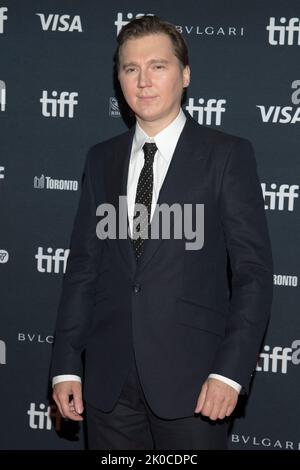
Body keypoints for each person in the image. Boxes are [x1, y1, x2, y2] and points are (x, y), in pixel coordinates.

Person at [51, 15, 273, 450]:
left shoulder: (226, 156)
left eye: (158, 66)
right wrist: (65, 365)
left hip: (195, 386)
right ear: (119, 79)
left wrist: (229, 371)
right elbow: (83, 268)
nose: (144, 81)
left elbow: (253, 273)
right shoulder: (101, 159)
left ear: (185, 75)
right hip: (108, 385)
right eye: (131, 68)